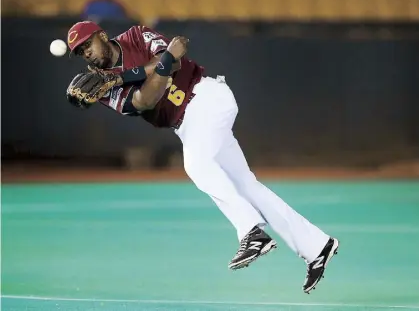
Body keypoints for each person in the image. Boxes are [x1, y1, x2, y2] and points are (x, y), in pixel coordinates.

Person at [65, 21, 339, 294]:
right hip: (187, 126)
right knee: (247, 187)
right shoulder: (102, 89)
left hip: (206, 97)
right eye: (80, 52)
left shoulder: (135, 36)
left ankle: (251, 232)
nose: (86, 53)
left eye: (87, 44)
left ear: (102, 35)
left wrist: (125, 76)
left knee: (196, 164)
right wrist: (145, 69)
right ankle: (316, 246)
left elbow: (174, 56)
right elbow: (147, 99)